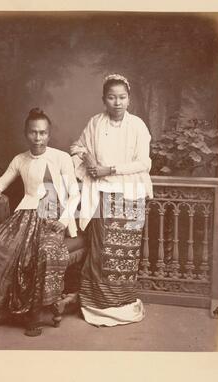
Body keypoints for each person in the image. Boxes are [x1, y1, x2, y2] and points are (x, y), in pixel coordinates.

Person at [0, 108, 80, 336]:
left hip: (54, 216)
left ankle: (33, 314)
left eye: (43, 133)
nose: (38, 138)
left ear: (49, 135)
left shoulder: (61, 158)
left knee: (40, 251)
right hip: (25, 215)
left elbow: (75, 194)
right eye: (33, 133)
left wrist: (63, 220)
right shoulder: (20, 159)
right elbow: (0, 184)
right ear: (26, 133)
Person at [70, 74, 153, 327]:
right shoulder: (95, 123)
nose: (117, 102)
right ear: (104, 100)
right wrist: (89, 160)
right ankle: (96, 303)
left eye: (122, 97)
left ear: (129, 99)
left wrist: (111, 169)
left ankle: (122, 303)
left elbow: (143, 162)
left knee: (125, 254)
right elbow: (76, 146)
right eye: (111, 97)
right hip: (103, 194)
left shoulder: (137, 125)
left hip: (130, 195)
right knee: (101, 250)